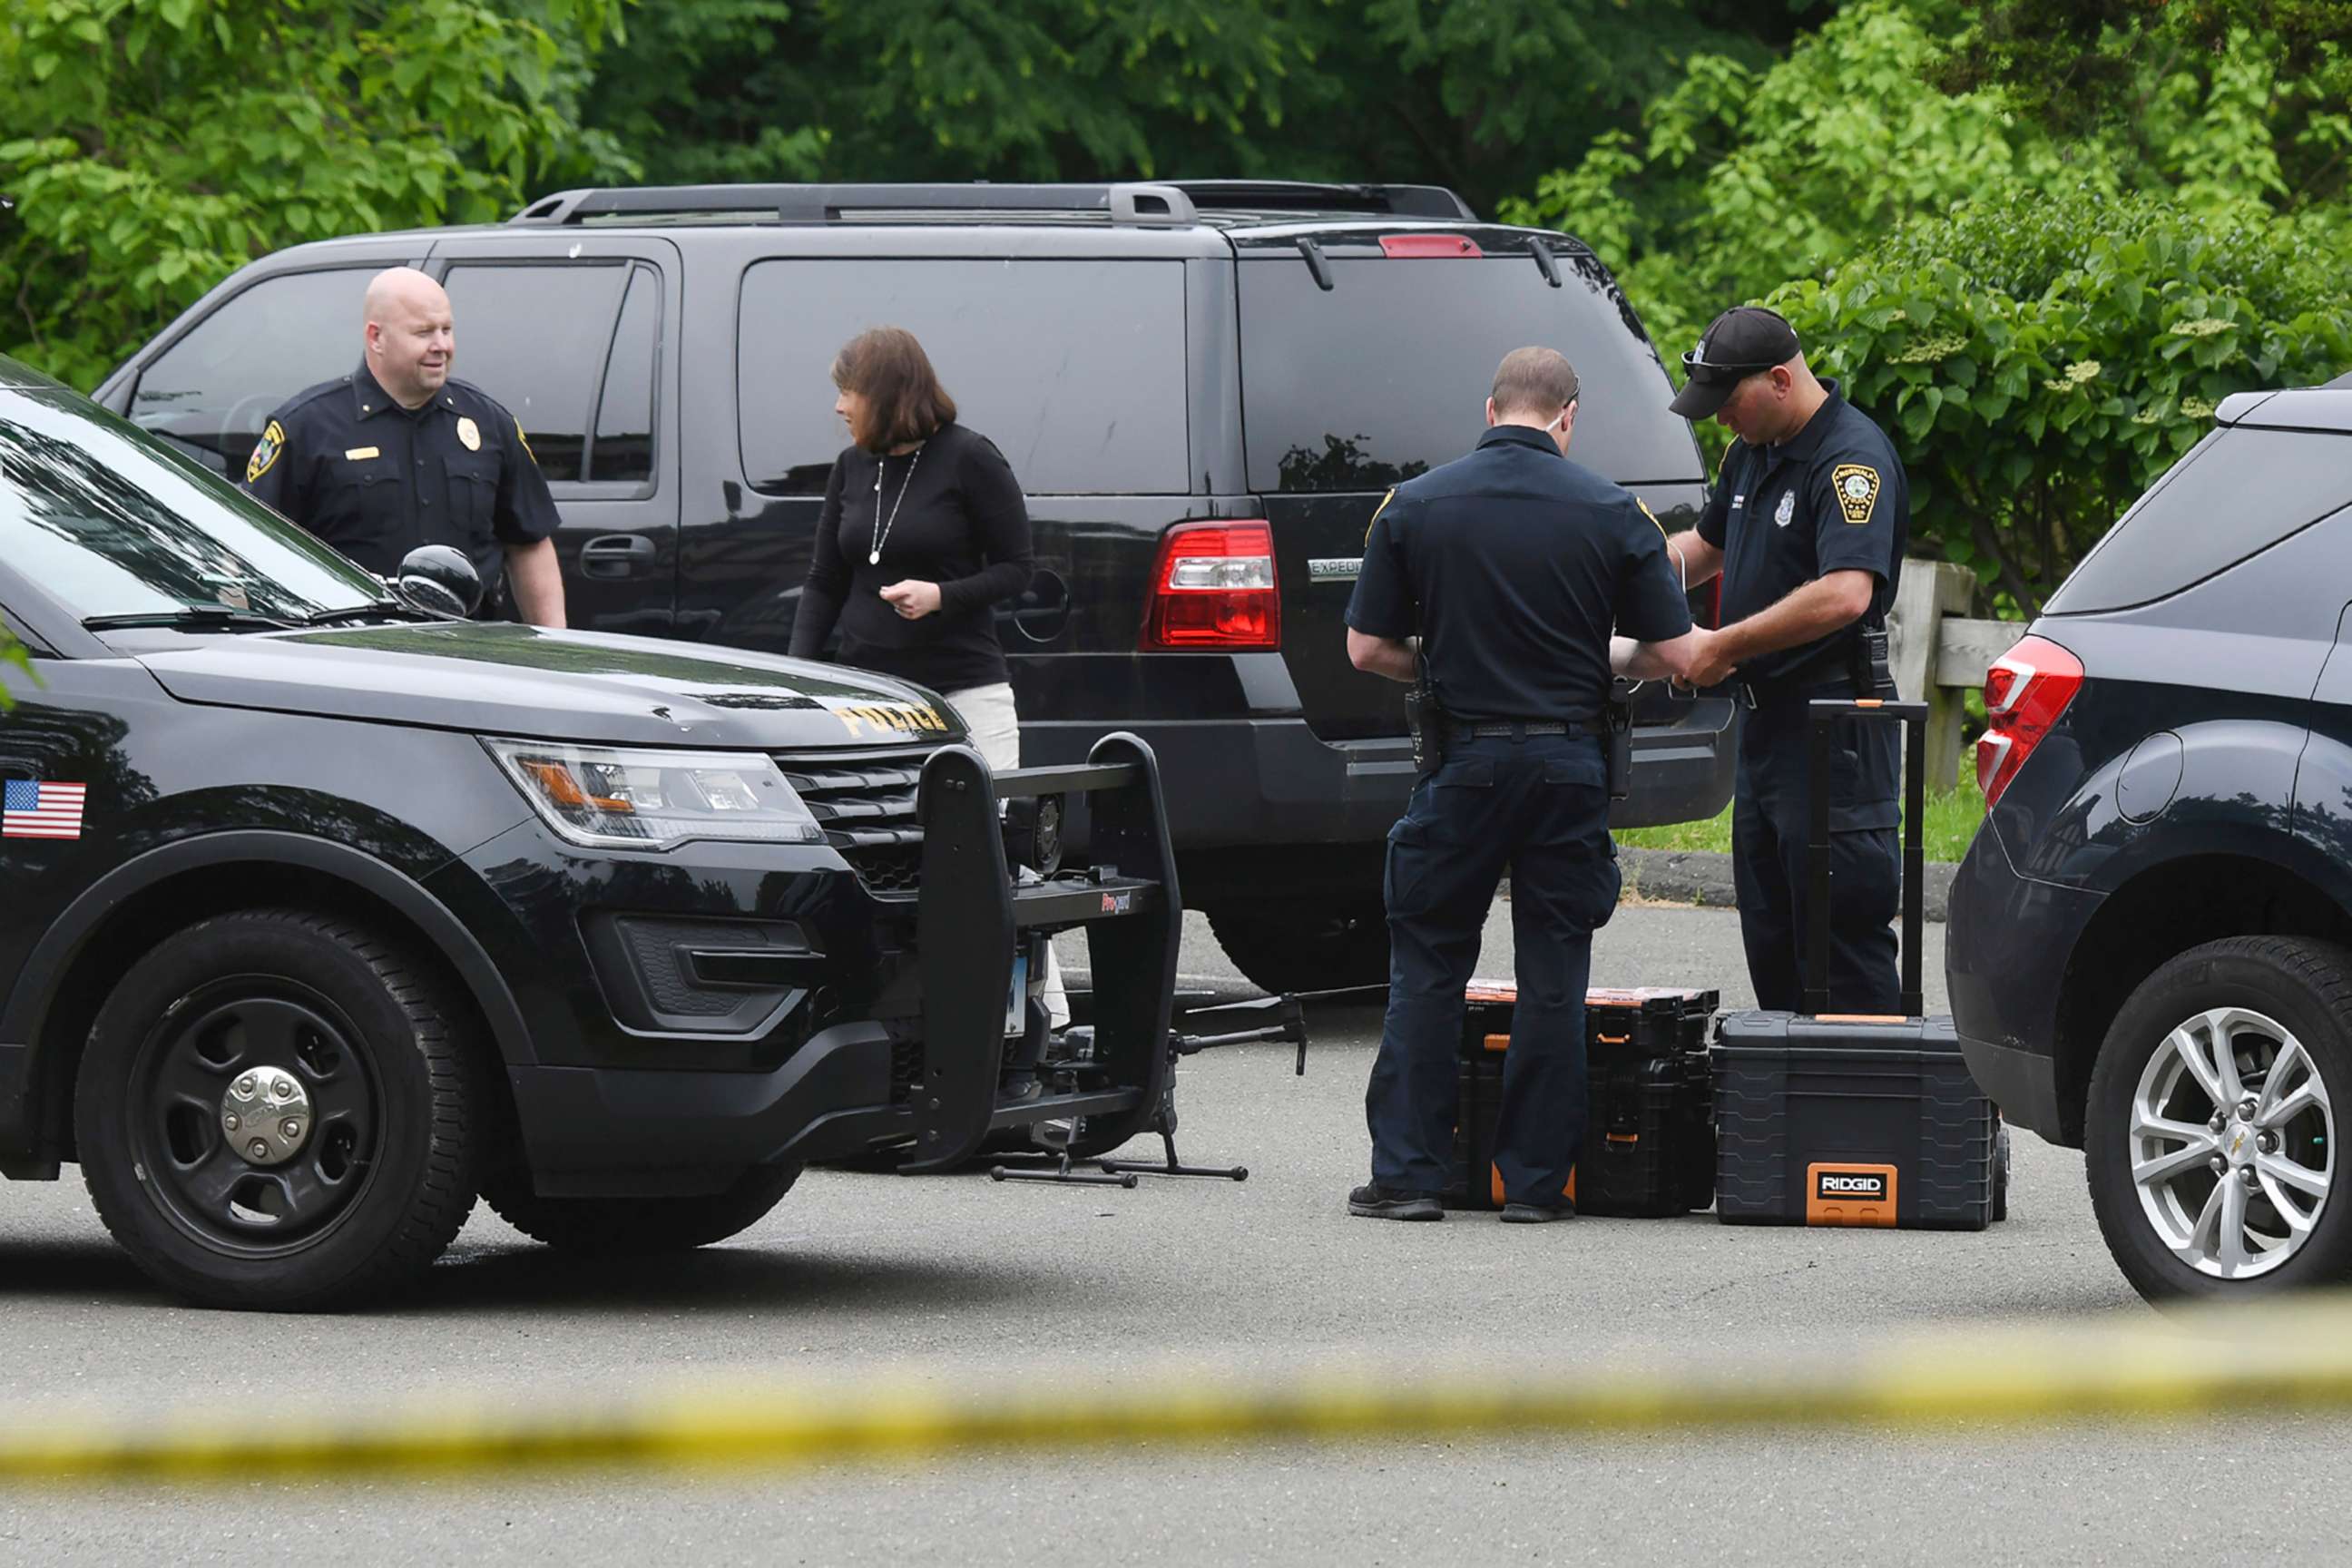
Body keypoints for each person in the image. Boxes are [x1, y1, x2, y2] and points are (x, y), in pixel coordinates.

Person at [1342, 347, 1713, 1223]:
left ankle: (1409, 1178)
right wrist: (1596, 660)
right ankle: (1537, 1186)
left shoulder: (1415, 505)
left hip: (1461, 764)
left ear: (1491, 406)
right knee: (1554, 974)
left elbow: (1365, 649)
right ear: (1568, 416)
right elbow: (1670, 652)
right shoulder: (1614, 513)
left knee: (1428, 966)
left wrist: (1450, 665)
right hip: (1567, 765)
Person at [787, 326, 1066, 1035]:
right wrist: (799, 675)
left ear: (883, 393)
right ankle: (908, 1016)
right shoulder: (852, 468)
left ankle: (1042, 1019)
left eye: (846, 392)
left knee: (999, 858)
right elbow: (825, 580)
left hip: (965, 694)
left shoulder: (970, 459)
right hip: (870, 704)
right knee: (886, 859)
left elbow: (1018, 568)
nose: (839, 407)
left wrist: (943, 596)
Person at [1657, 305, 1911, 1015]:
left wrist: (1721, 646)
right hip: (1766, 734)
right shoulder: (1754, 451)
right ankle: (1794, 1119)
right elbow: (1703, 550)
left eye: (1727, 403)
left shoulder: (1849, 459)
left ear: (1778, 380)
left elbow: (1844, 594)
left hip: (1832, 733)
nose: (1719, 421)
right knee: (1773, 944)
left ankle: (1868, 1119)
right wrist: (1618, 576)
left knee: (1840, 952)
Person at [241, 267, 565, 626]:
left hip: (473, 655)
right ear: (376, 337)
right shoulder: (307, 428)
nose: (441, 345)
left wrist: (556, 647)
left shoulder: (489, 422)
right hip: (350, 655)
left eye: (447, 329)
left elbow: (530, 543)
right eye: (424, 332)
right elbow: (249, 547)